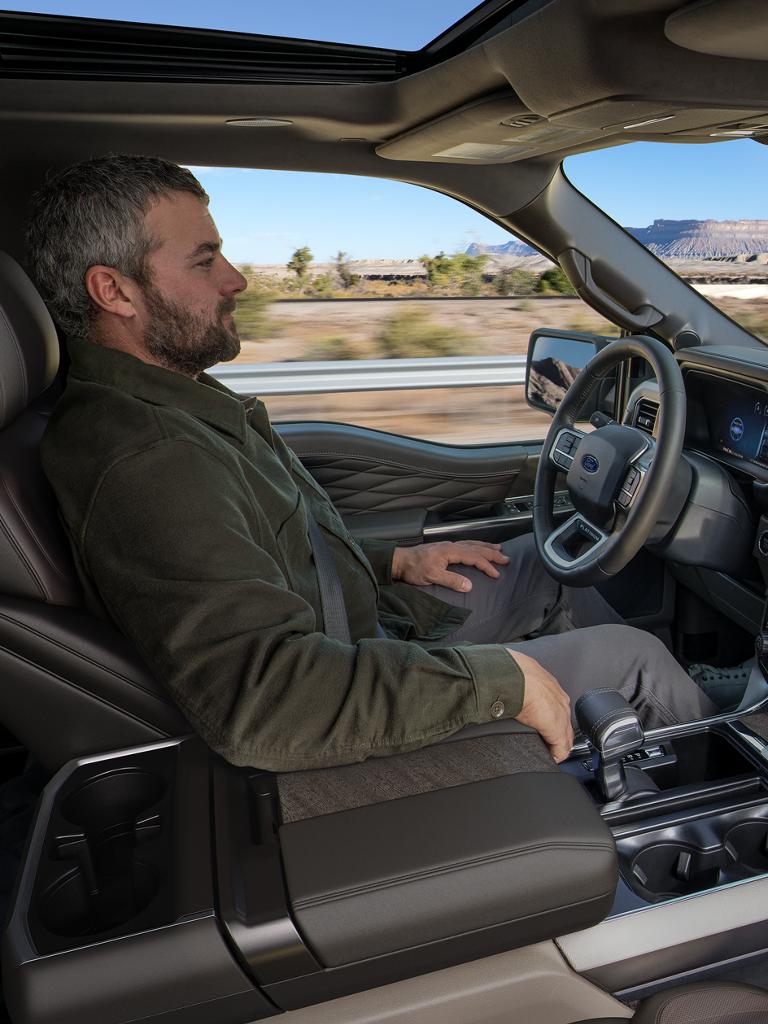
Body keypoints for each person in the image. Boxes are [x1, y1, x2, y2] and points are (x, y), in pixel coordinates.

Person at [28, 154, 718, 773]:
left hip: (366, 631)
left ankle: (605, 741)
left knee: (543, 561)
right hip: (344, 688)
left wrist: (391, 562)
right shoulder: (148, 460)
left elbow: (259, 547)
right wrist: (499, 684)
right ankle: (718, 801)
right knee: (636, 661)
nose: (236, 280)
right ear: (113, 292)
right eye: (205, 262)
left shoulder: (168, 399)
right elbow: (269, 701)